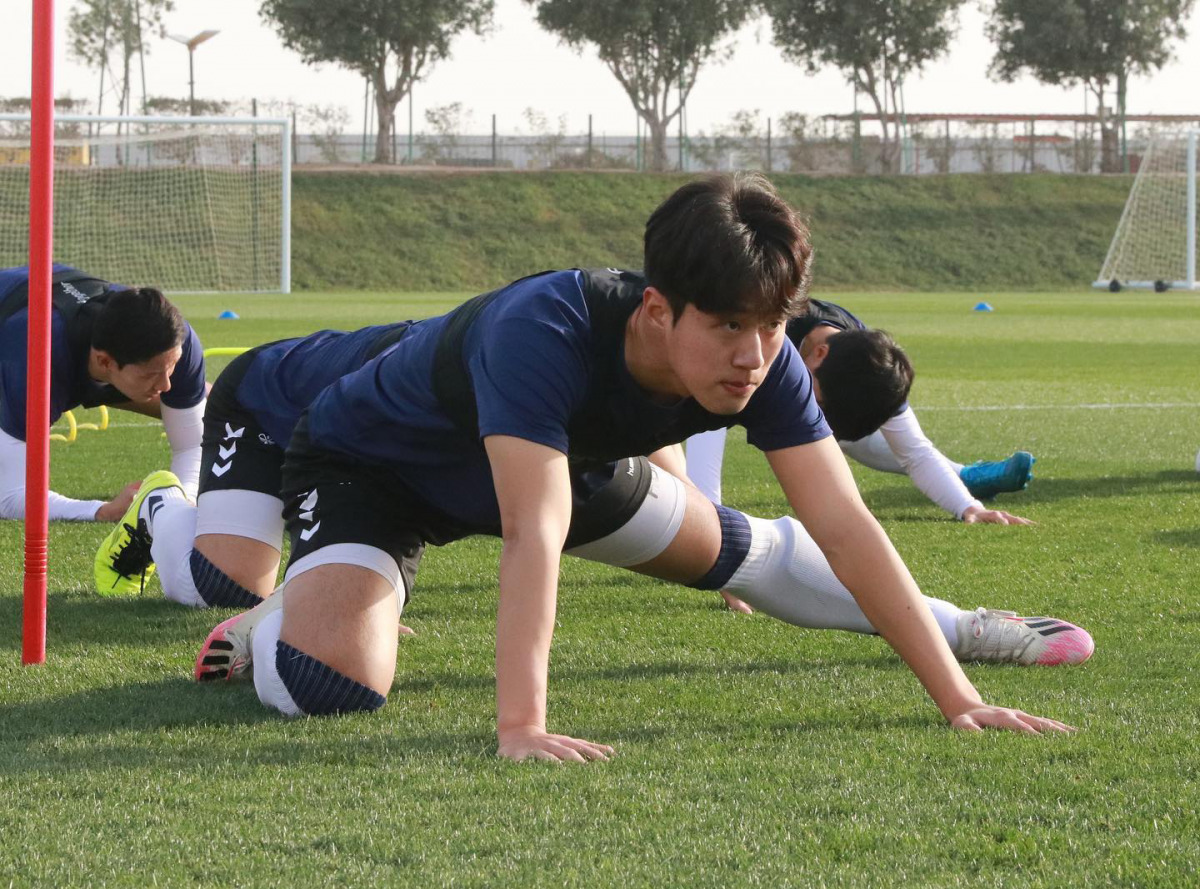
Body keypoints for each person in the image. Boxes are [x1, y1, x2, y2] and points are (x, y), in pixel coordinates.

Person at [195, 174, 1089, 762]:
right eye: (729, 325)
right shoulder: (541, 329)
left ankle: (968, 627)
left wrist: (957, 698)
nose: (754, 354)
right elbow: (532, 532)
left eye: (772, 325)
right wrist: (522, 725)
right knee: (330, 686)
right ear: (659, 310)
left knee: (743, 552)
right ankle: (278, 621)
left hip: (565, 465)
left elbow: (845, 524)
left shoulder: (767, 358)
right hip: (373, 469)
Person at [93, 322, 413, 609]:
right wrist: (363, 600)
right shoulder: (412, 387)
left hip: (329, 423)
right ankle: (159, 504)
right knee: (223, 590)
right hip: (260, 399)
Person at [683, 298, 1035, 528]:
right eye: (818, 403)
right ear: (818, 354)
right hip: (695, 386)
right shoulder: (766, 328)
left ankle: (966, 477)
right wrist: (714, 528)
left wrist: (969, 508)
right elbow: (708, 424)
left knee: (852, 438)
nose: (819, 416)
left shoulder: (873, 370)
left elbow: (914, 451)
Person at [0, 265, 205, 546]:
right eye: (152, 374)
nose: (166, 384)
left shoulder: (177, 340)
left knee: (210, 409)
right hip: (22, 333)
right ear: (105, 362)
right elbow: (11, 496)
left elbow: (192, 445)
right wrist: (102, 510)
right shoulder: (36, 362)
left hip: (72, 342)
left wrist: (180, 504)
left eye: (172, 367)